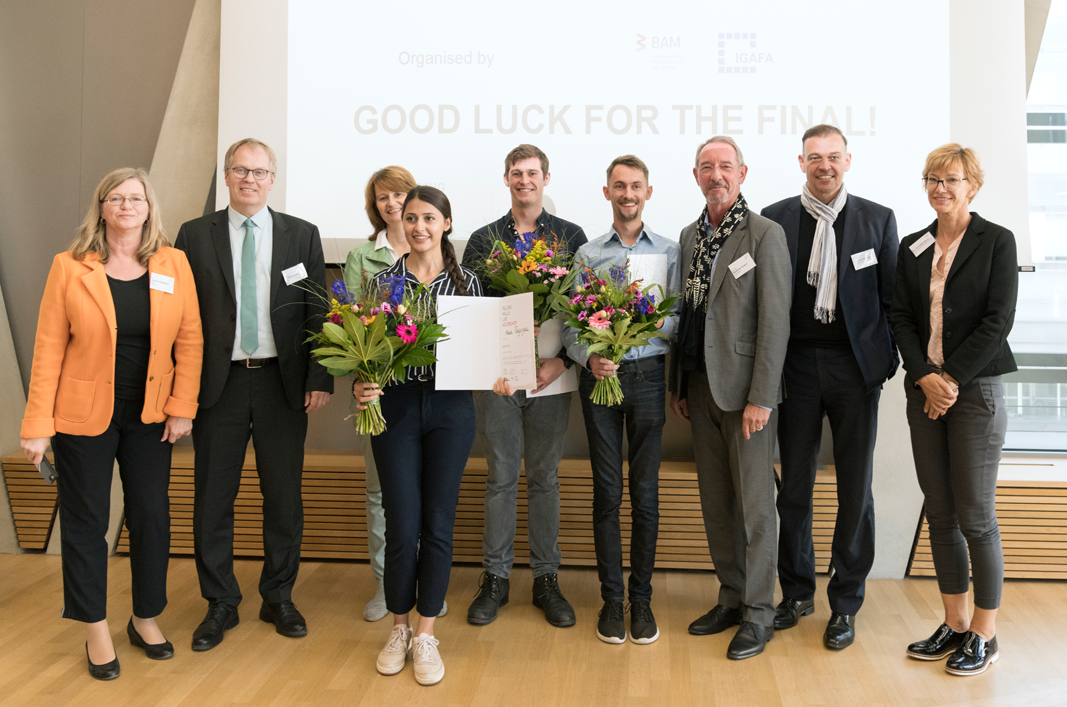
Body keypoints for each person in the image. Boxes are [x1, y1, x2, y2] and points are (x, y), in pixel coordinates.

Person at [20, 167, 202, 679]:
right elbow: (48, 348)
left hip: (152, 414)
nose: (127, 205)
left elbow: (190, 339)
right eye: (116, 197)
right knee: (87, 523)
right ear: (101, 207)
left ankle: (144, 617)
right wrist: (37, 423)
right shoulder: (70, 266)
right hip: (82, 416)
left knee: (151, 517)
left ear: (150, 207)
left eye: (136, 197)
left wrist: (183, 406)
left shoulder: (173, 263)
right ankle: (94, 627)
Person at [174, 138, 334, 652]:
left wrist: (319, 377)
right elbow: (179, 315)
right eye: (240, 170)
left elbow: (318, 311)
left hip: (280, 383)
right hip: (214, 386)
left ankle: (277, 596)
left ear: (272, 179)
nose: (249, 179)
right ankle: (220, 601)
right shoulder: (194, 235)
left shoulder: (301, 235)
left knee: (283, 498)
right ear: (226, 176)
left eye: (259, 171)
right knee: (212, 500)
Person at [761, 124, 899, 650]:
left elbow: (891, 300)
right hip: (793, 368)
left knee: (854, 490)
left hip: (855, 370)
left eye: (833, 157)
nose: (825, 165)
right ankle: (796, 593)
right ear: (801, 163)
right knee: (793, 487)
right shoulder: (775, 220)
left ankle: (846, 603)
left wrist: (883, 363)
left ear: (848, 160)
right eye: (814, 157)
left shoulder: (877, 219)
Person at [890, 144, 1017, 676]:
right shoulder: (913, 245)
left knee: (976, 518)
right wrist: (924, 377)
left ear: (973, 185)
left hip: (975, 393)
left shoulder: (996, 241)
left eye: (952, 179)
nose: (940, 188)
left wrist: (950, 379)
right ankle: (956, 623)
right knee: (940, 513)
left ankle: (985, 634)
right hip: (924, 395)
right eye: (932, 180)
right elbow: (900, 317)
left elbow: (998, 321)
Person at [352, 186, 482, 686]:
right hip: (397, 411)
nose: (419, 227)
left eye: (430, 218)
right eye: (411, 218)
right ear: (401, 225)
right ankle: (399, 627)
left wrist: (498, 370)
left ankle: (427, 632)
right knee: (403, 525)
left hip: (452, 411)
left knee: (439, 523)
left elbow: (487, 352)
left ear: (447, 223)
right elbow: (365, 347)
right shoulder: (383, 283)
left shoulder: (470, 284)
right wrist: (362, 381)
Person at [670, 136, 791, 660]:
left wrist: (762, 397)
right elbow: (687, 316)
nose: (716, 175)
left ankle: (760, 612)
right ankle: (731, 597)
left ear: (742, 173)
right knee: (716, 504)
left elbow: (775, 322)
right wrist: (679, 383)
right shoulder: (690, 234)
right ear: (695, 175)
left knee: (756, 510)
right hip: (699, 389)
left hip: (747, 397)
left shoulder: (765, 234)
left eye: (725, 167)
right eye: (706, 167)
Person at [460, 144, 587, 628]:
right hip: (497, 379)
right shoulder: (483, 239)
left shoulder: (570, 237)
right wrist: (489, 362)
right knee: (500, 477)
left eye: (532, 173)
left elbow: (584, 309)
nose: (524, 180)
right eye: (516, 173)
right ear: (507, 179)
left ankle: (546, 580)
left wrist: (562, 363)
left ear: (546, 179)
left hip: (551, 376)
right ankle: (494, 579)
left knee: (545, 478)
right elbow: (472, 307)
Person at [558, 155, 680, 645]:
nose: (627, 194)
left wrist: (634, 334)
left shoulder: (671, 252)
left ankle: (642, 601)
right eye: (618, 187)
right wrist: (592, 357)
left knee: (645, 494)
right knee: (607, 493)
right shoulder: (587, 254)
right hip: (600, 382)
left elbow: (677, 319)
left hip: (649, 377)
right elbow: (570, 324)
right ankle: (612, 602)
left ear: (648, 192)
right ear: (606, 193)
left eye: (636, 186)